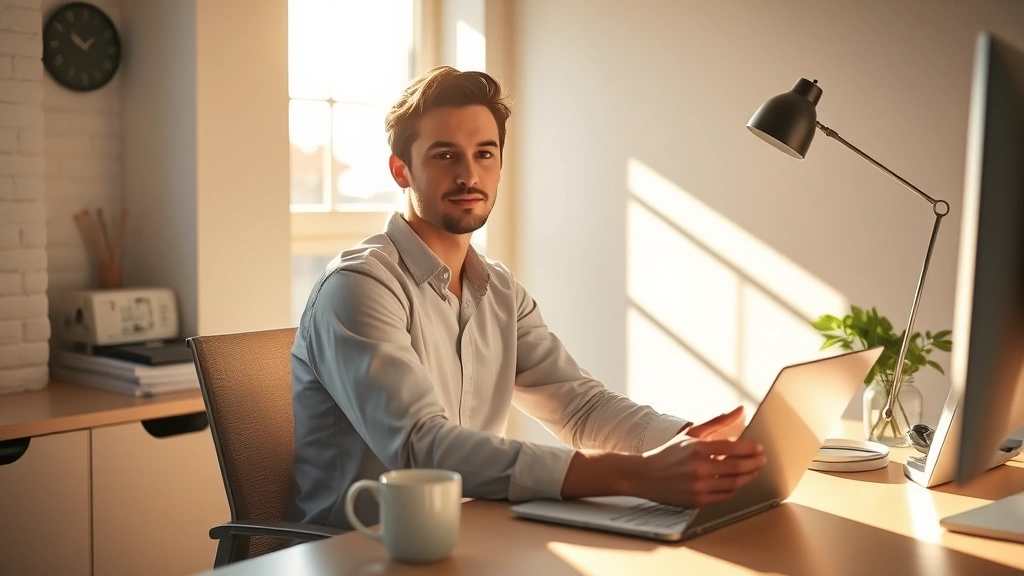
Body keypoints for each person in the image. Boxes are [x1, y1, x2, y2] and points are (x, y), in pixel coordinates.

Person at [287, 66, 766, 530]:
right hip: (360, 552)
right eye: (444, 155)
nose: (468, 175)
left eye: (485, 153)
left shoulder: (496, 289)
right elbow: (419, 449)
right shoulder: (359, 286)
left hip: (477, 535)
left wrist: (694, 446)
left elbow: (580, 409)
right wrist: (634, 474)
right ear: (401, 170)